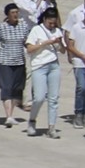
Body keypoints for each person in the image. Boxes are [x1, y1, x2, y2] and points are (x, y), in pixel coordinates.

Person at [0, 2, 29, 128]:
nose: (15, 15)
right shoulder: (1, 27)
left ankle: (11, 113)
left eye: (17, 12)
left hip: (20, 62)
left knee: (17, 88)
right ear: (7, 15)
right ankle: (8, 116)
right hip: (5, 62)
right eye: (13, 13)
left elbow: (27, 42)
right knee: (6, 88)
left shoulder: (23, 26)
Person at [25, 7, 65, 138]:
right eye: (50, 23)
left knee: (53, 98)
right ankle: (32, 120)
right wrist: (47, 42)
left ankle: (52, 127)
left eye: (54, 23)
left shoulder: (57, 31)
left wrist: (59, 43)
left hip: (53, 65)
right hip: (39, 66)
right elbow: (30, 48)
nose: (52, 25)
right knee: (39, 97)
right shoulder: (37, 30)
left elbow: (63, 51)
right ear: (44, 19)